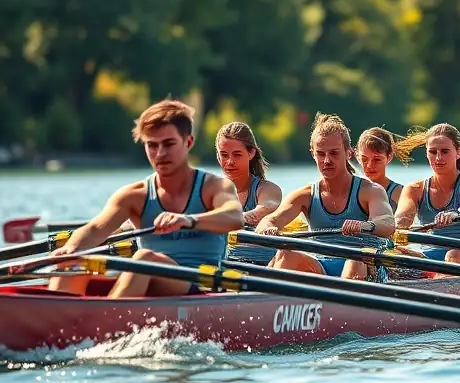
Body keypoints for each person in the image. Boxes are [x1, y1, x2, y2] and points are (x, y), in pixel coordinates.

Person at [48, 99, 243, 297]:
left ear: (188, 142)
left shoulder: (213, 186)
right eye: (152, 145)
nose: (160, 154)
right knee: (73, 263)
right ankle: (53, 320)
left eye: (168, 144)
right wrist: (71, 248)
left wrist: (188, 220)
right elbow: (95, 229)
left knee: (144, 259)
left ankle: (105, 322)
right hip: (145, 277)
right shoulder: (134, 195)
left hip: (199, 286)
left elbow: (234, 217)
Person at [255, 113, 395, 280]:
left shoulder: (371, 191)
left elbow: (388, 223)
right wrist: (267, 229)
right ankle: (273, 303)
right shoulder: (304, 195)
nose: (327, 160)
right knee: (285, 255)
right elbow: (268, 220)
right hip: (321, 266)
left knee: (355, 260)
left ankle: (339, 302)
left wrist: (366, 225)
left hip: (364, 266)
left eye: (334, 153)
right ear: (313, 154)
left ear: (349, 153)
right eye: (321, 154)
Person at [394, 123, 460, 267]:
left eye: (445, 151)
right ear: (426, 153)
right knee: (393, 253)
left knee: (453, 255)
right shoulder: (414, 189)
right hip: (428, 256)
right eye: (432, 152)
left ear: (458, 152)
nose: (438, 158)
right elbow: (402, 217)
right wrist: (396, 225)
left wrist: (456, 214)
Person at [215, 121, 283, 266]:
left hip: (264, 266)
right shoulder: (212, 191)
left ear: (251, 153)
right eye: (224, 155)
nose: (229, 162)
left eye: (237, 155)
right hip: (228, 265)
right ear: (218, 156)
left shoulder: (267, 189)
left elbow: (267, 206)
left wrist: (243, 216)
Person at [355, 126, 427, 209]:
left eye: (377, 159)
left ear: (389, 157)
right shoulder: (351, 189)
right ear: (357, 157)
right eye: (364, 159)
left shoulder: (399, 193)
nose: (369, 165)